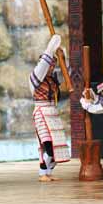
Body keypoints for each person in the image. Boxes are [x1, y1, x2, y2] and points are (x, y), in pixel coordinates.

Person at [29, 34, 70, 182]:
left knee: (56, 146)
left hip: (52, 112)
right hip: (41, 112)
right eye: (48, 64)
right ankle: (42, 173)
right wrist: (50, 48)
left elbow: (67, 73)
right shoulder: (35, 77)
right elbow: (42, 67)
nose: (50, 67)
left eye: (53, 65)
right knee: (47, 145)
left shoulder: (53, 79)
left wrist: (62, 57)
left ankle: (47, 172)